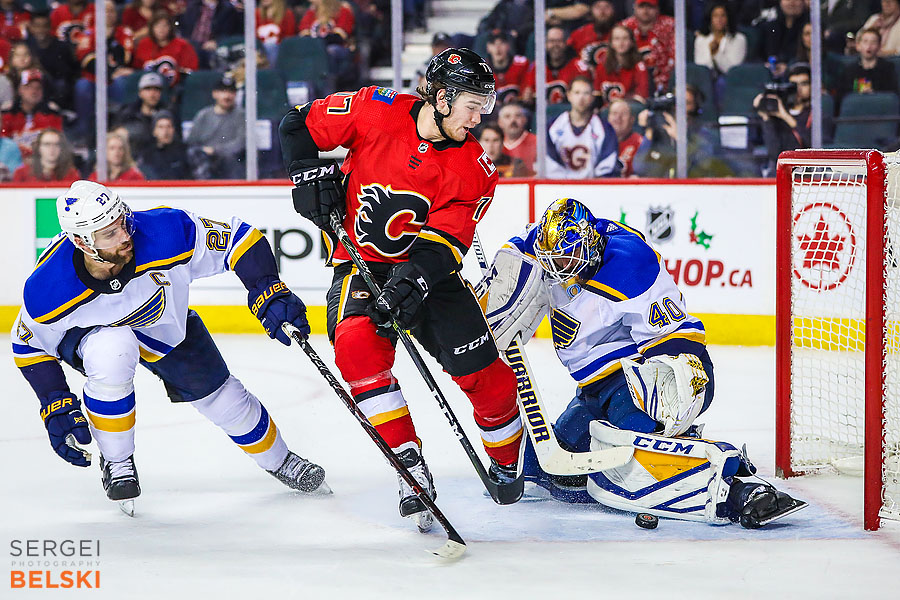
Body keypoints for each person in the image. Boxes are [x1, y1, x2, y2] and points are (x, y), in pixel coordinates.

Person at [278, 47, 524, 532]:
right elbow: (296, 126)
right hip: (360, 263)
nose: (479, 117)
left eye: (484, 105)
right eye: (472, 104)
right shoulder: (376, 109)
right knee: (356, 349)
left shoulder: (476, 168)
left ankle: (509, 459)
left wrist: (413, 281)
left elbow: (446, 242)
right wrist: (307, 174)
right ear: (440, 96)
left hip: (429, 272)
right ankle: (408, 464)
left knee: (488, 380)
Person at [478, 197, 808, 528]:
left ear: (590, 244)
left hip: (632, 382)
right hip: (591, 391)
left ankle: (739, 487)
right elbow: (518, 252)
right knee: (550, 474)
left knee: (641, 460)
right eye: (555, 259)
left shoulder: (629, 265)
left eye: (569, 257)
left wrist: (671, 391)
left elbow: (677, 336)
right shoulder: (544, 250)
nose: (560, 268)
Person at [11, 180, 328, 513]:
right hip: (95, 335)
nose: (124, 236)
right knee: (112, 351)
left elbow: (241, 240)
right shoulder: (49, 288)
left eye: (122, 221)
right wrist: (54, 399)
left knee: (224, 397)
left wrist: (267, 287)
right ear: (81, 242)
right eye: (109, 233)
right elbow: (28, 345)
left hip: (164, 326)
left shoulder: (166, 231)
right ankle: (117, 462)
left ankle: (280, 460)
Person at [632, 85, 727, 178]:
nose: (680, 108)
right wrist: (649, 133)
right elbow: (639, 168)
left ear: (696, 108)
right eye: (676, 103)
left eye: (686, 103)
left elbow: (706, 165)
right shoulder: (660, 132)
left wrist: (680, 140)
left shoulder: (703, 134)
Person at [547, 76, 620, 178]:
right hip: (560, 188)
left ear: (592, 97)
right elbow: (549, 162)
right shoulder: (553, 126)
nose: (581, 98)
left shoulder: (605, 128)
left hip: (592, 189)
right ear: (569, 96)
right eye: (577, 93)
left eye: (586, 93)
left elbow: (607, 164)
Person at [186, 74, 245, 179]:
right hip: (205, 162)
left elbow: (241, 143)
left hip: (230, 163)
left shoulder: (241, 115)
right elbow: (191, 142)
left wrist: (215, 150)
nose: (227, 96)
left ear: (235, 95)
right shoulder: (203, 115)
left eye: (230, 92)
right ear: (214, 94)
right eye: (222, 91)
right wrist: (203, 151)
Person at [522, 25, 591, 106]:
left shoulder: (578, 67)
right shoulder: (536, 67)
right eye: (551, 41)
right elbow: (528, 96)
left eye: (559, 41)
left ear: (566, 43)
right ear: (545, 44)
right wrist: (527, 99)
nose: (555, 45)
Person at [1, 69, 64, 156]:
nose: (34, 92)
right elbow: (2, 144)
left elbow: (57, 143)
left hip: (42, 160)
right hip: (12, 160)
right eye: (28, 87)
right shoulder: (8, 114)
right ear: (20, 90)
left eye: (38, 88)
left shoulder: (52, 114)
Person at [132, 12, 198, 87]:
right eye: (157, 26)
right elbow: (137, 69)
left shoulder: (182, 45)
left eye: (165, 26)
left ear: (171, 27)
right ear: (152, 28)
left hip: (176, 87)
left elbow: (190, 71)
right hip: (147, 88)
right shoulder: (143, 44)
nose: (161, 29)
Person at [621, 0, 675, 92]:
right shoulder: (625, 26)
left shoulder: (670, 25)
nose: (645, 11)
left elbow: (674, 57)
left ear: (657, 9)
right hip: (633, 81)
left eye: (650, 7)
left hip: (664, 80)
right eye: (641, 7)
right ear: (634, 8)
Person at [836, 28, 899, 104]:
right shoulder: (849, 70)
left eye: (873, 42)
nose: (869, 46)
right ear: (858, 46)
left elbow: (893, 94)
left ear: (879, 46)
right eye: (865, 42)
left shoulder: (888, 68)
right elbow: (841, 96)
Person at [112, 71, 167, 157]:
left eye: (156, 89)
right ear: (140, 93)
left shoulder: (167, 115)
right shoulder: (128, 114)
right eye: (148, 89)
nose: (152, 93)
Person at [593, 24, 650, 107]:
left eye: (625, 38)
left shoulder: (639, 67)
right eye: (617, 39)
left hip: (630, 110)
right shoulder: (601, 67)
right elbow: (597, 96)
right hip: (607, 112)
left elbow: (641, 98)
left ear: (631, 42)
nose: (621, 43)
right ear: (611, 43)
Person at [178, 0, 241, 69]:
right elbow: (183, 28)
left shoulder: (228, 9)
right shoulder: (192, 6)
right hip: (190, 43)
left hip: (210, 48)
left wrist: (217, 42)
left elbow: (229, 33)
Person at [693, 3, 747, 77]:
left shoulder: (739, 39)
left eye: (723, 15)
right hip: (706, 80)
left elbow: (732, 70)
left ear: (728, 18)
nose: (719, 19)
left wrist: (716, 54)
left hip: (729, 80)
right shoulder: (701, 40)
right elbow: (701, 69)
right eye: (715, 16)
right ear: (710, 19)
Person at [757, 0, 808, 77]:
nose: (792, 2)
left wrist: (789, 67)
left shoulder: (809, 29)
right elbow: (756, 54)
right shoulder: (768, 27)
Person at [11, 127, 79, 183]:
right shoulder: (22, 173)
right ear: (38, 147)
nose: (52, 148)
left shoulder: (71, 174)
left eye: (56, 144)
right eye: (47, 144)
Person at [137, 110, 190, 179]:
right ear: (154, 131)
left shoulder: (185, 151)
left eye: (169, 126)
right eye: (161, 127)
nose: (165, 131)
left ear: (173, 130)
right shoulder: (146, 155)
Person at [485, 29, 531, 105]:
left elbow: (527, 93)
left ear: (508, 46)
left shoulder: (522, 64)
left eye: (502, 43)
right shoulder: (483, 69)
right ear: (488, 48)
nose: (497, 48)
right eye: (493, 44)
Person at [566, 0, 616, 66]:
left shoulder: (622, 33)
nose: (602, 11)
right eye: (598, 7)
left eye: (607, 7)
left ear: (613, 10)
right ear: (591, 10)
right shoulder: (578, 34)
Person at [497, 101, 536, 176]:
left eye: (517, 116)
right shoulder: (493, 142)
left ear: (524, 120)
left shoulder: (536, 143)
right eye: (507, 116)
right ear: (500, 122)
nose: (513, 120)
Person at [607, 99, 642, 177]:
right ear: (608, 118)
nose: (618, 117)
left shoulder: (640, 144)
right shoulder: (598, 142)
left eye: (624, 114)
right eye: (614, 113)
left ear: (632, 119)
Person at [256, 0, 296, 66]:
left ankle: (271, 72)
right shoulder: (257, 13)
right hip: (259, 50)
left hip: (280, 50)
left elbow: (289, 38)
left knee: (270, 45)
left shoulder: (287, 14)